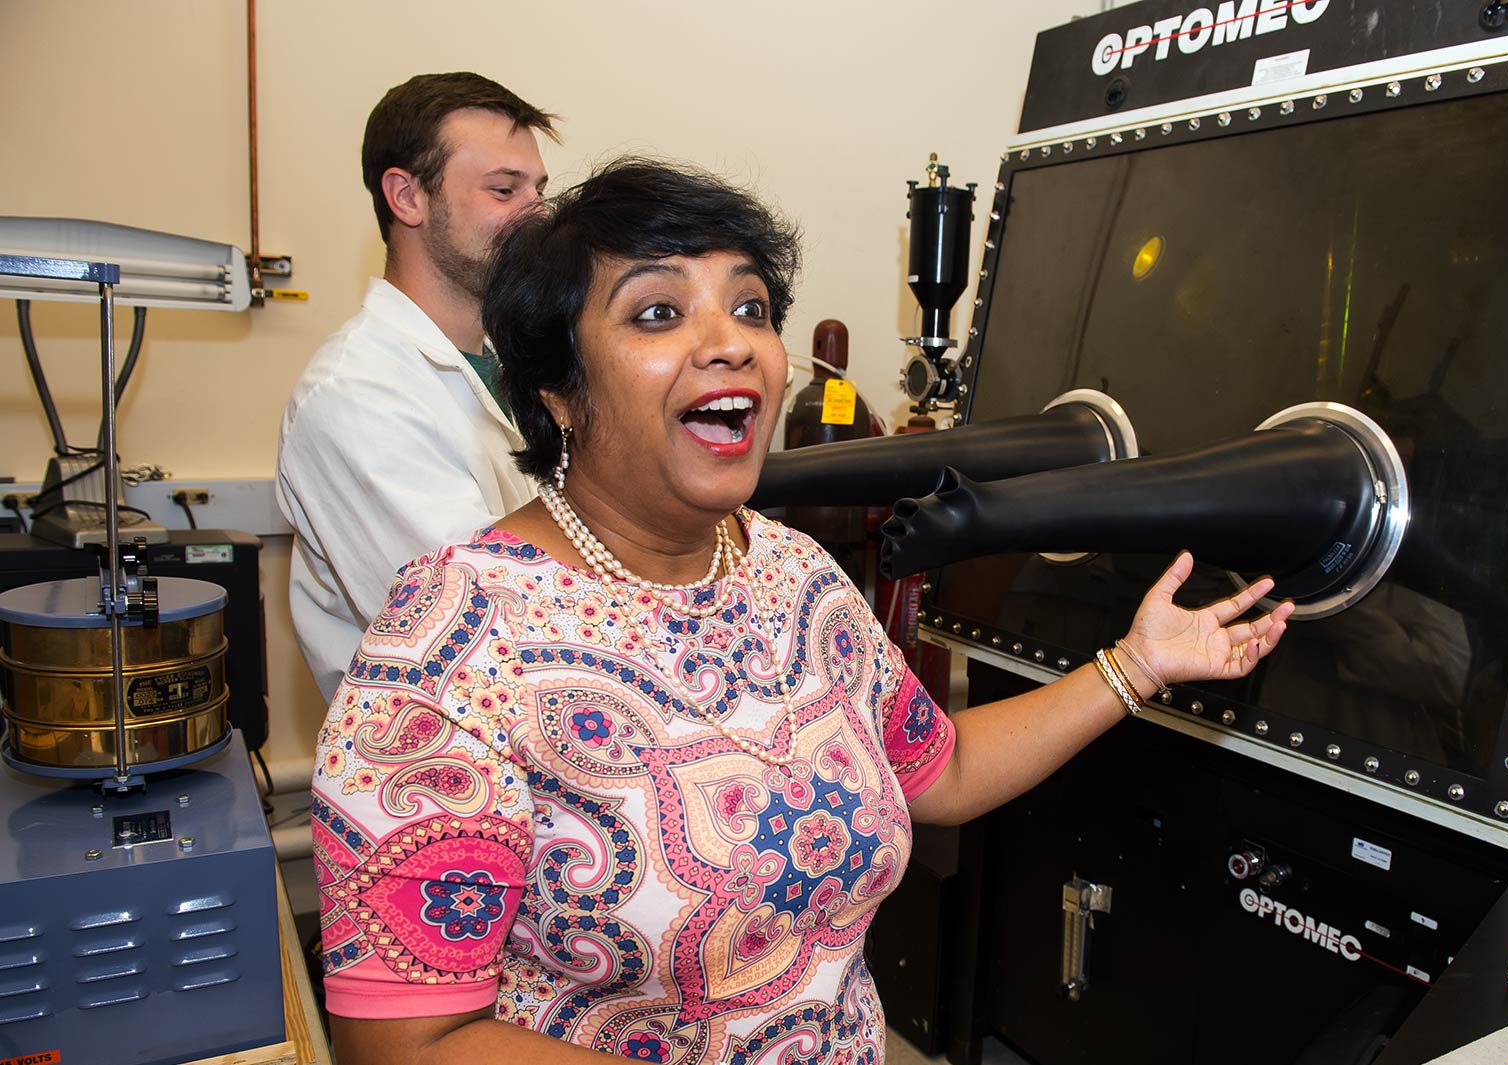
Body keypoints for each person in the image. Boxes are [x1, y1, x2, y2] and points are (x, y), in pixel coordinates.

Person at [311, 159, 1294, 1065]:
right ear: (557, 391)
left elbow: (936, 772)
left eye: (751, 305)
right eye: (657, 314)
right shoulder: (455, 636)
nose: (728, 341)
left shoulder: (791, 571)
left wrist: (1135, 665)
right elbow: (405, 1044)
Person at [277, 72, 559, 700]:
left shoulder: (510, 368)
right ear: (407, 198)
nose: (537, 216)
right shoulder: (355, 395)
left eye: (539, 190)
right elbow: (485, 626)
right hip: (437, 768)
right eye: (504, 190)